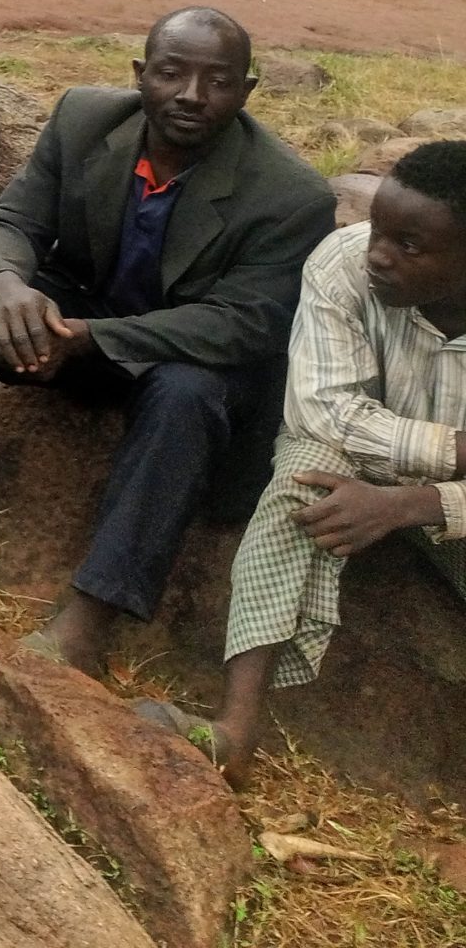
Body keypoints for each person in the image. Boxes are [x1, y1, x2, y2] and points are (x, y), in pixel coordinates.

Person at [0, 8, 335, 676]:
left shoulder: (291, 194)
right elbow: (11, 219)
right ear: (141, 75)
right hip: (79, 326)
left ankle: (86, 623)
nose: (191, 95)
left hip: (185, 360)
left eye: (217, 81)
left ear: (247, 91)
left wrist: (88, 338)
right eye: (171, 73)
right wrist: (8, 287)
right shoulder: (85, 117)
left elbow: (241, 324)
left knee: (187, 392)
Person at [150, 142, 466, 785]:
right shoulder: (344, 266)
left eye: (411, 245)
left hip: (442, 500)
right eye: (379, 228)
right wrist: (455, 453)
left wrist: (414, 502)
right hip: (355, 456)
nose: (378, 252)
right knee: (305, 471)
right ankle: (234, 731)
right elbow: (323, 410)